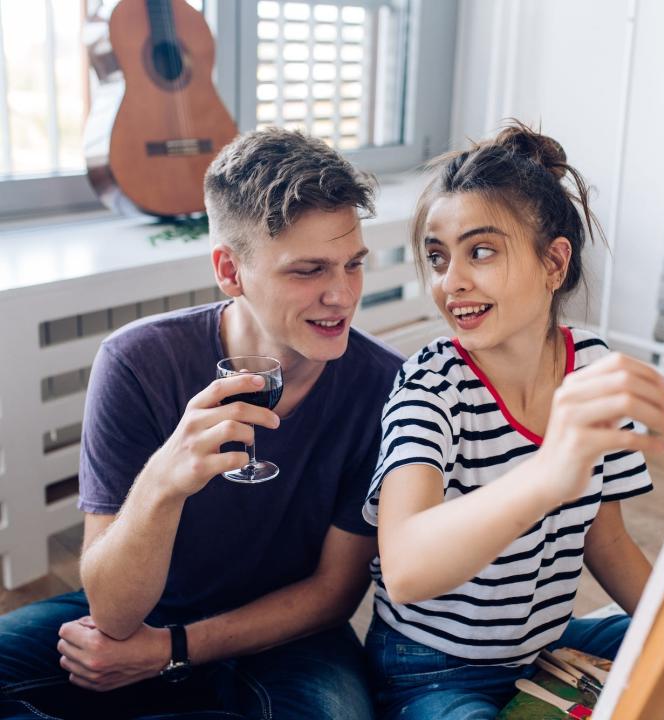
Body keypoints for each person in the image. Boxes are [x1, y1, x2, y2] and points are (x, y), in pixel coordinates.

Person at [0, 128, 402, 720]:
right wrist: (165, 481)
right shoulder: (139, 362)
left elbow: (333, 593)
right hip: (146, 611)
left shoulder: (383, 386)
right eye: (308, 270)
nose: (342, 295)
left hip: (286, 636)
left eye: (353, 264)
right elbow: (112, 612)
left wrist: (170, 652)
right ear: (230, 271)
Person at [362, 122, 664, 719]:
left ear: (554, 262)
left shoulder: (591, 366)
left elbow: (605, 539)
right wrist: (547, 476)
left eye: (480, 251)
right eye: (438, 256)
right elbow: (404, 569)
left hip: (539, 649)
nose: (450, 280)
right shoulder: (430, 387)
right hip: (430, 670)